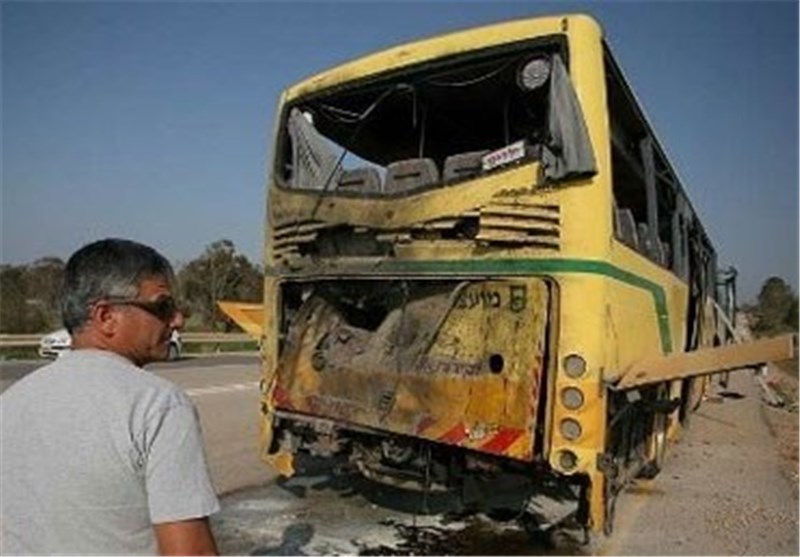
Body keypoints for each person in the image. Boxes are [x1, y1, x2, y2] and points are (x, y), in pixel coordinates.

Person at [1, 238, 220, 555]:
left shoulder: (11, 402)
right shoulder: (158, 405)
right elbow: (190, 552)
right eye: (162, 307)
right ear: (106, 317)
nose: (177, 320)